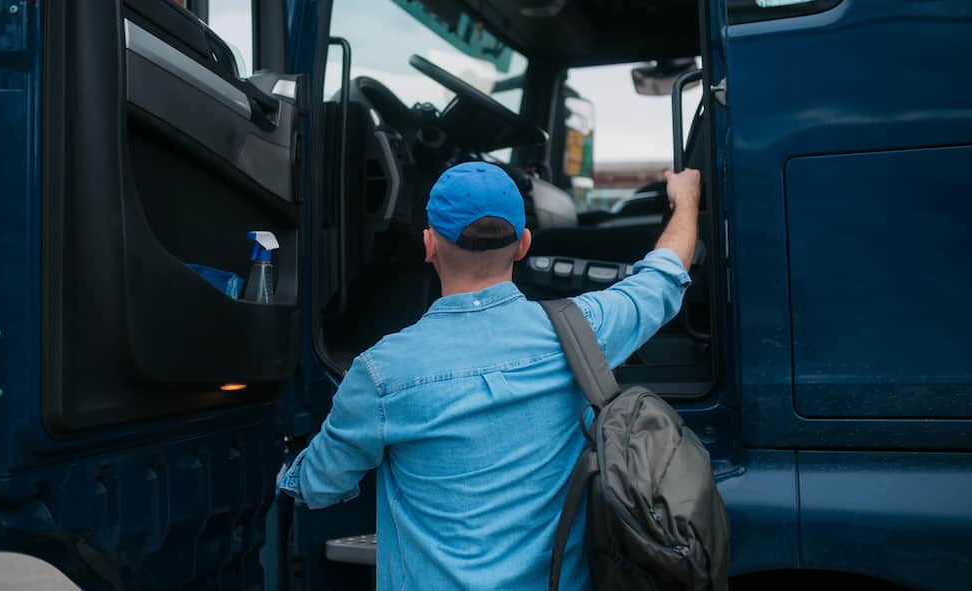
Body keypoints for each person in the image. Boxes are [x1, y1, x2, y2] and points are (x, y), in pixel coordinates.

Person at [280, 162, 702, 590]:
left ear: (429, 245)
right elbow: (663, 279)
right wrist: (685, 199)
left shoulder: (381, 372)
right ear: (523, 245)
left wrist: (287, 472)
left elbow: (318, 485)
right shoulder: (583, 329)